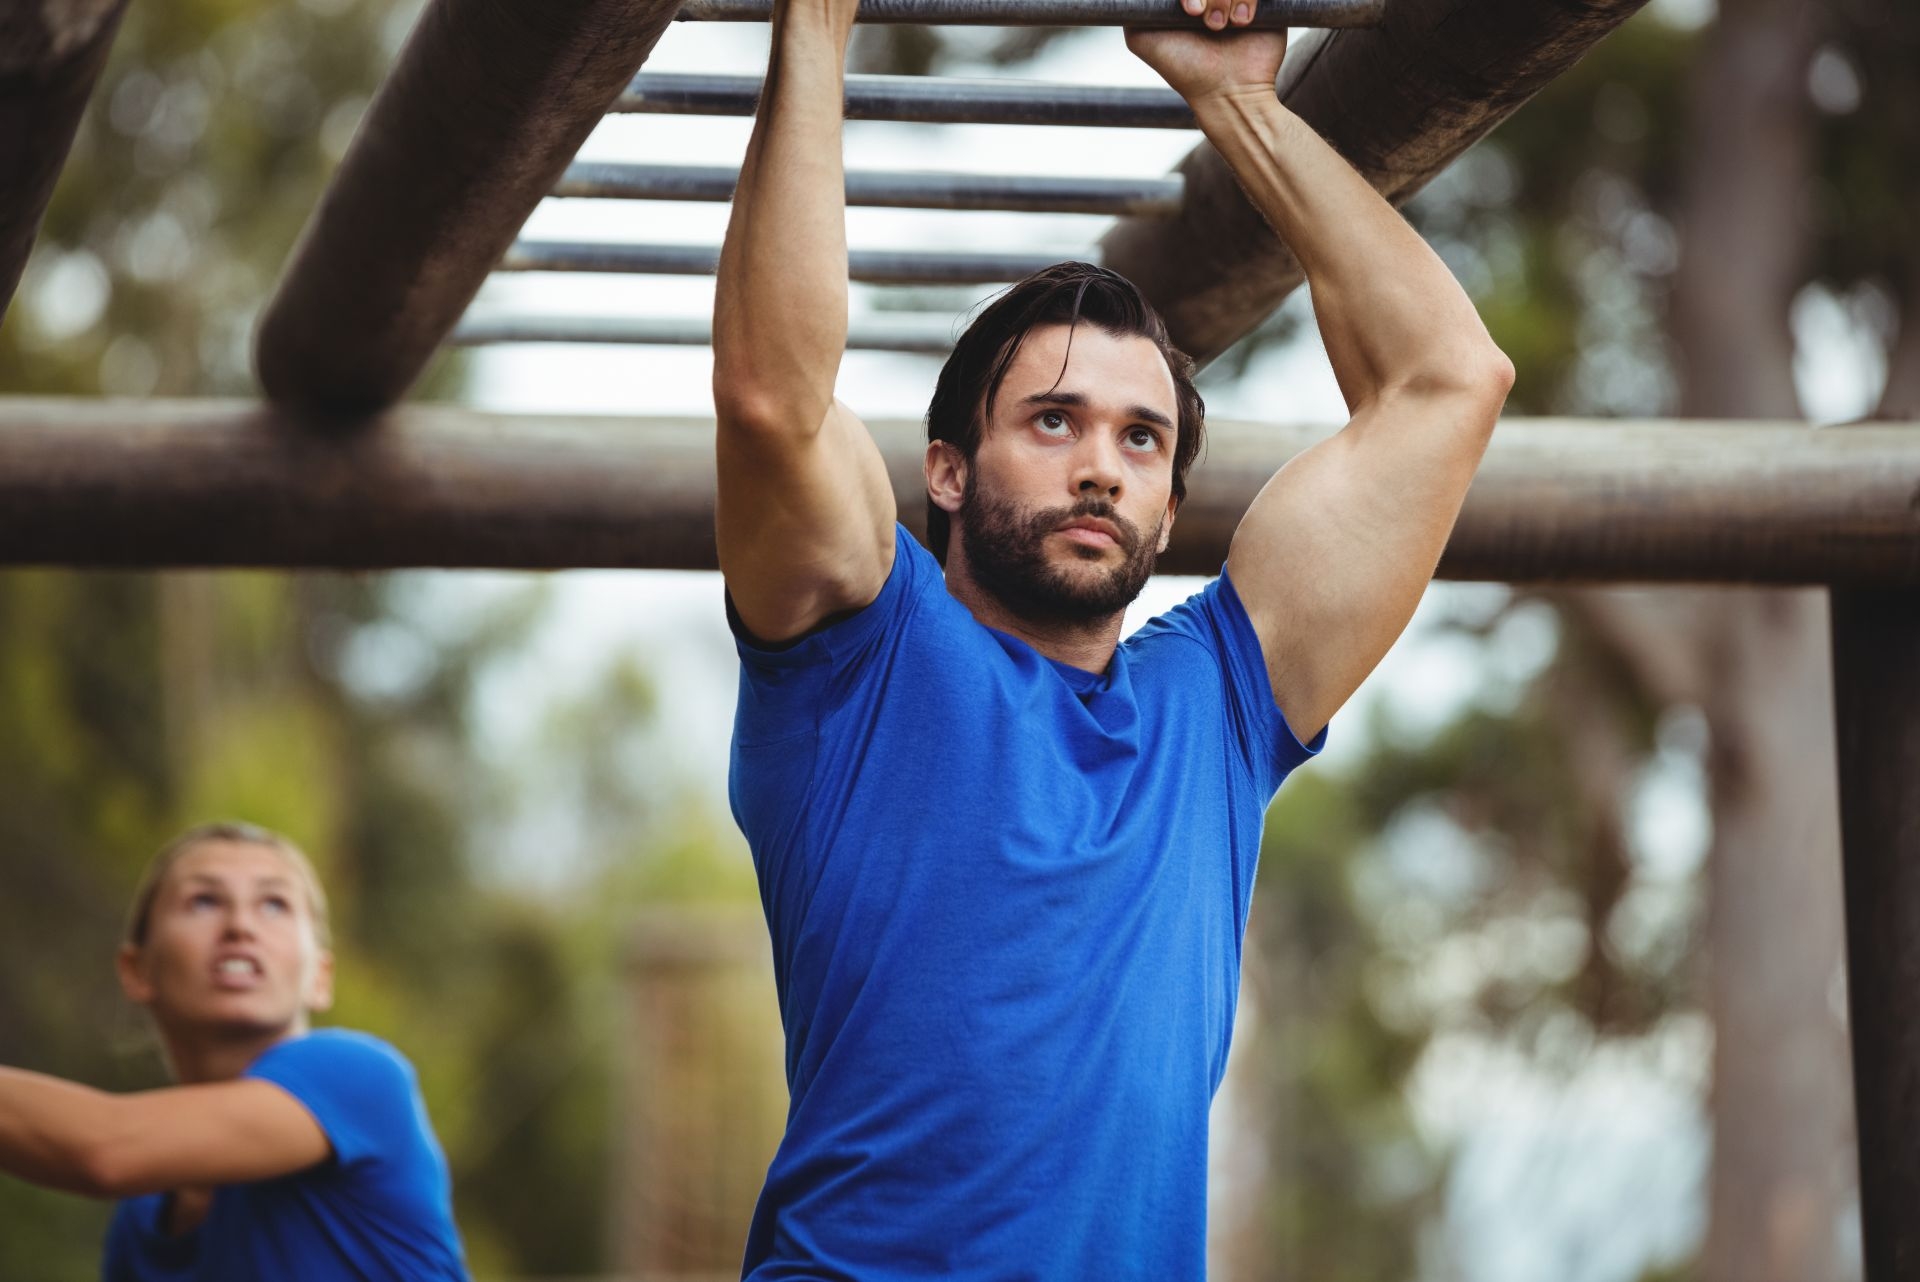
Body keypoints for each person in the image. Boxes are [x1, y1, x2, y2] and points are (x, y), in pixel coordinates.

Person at [712, 0, 1513, 1274]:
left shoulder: (1217, 711)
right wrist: (815, 26)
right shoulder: (858, 657)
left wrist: (1239, 103)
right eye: (1052, 421)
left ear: (1171, 502)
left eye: (1140, 438)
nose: (1101, 466)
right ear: (949, 473)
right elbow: (769, 397)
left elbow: (1448, 381)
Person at [0, 821, 469, 1280]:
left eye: (274, 904)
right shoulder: (143, 1215)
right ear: (136, 969)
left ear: (321, 976)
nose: (240, 925)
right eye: (203, 901)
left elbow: (104, 1150)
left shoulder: (359, 1077)